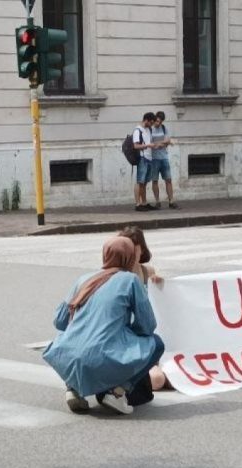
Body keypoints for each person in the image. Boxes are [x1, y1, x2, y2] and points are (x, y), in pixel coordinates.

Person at [43, 236, 165, 416]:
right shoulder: (130, 280)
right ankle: (116, 393)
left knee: (78, 341)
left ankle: (73, 388)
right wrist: (127, 334)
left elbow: (60, 321)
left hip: (65, 355)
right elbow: (147, 325)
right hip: (103, 356)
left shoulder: (84, 279)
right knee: (156, 343)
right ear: (130, 257)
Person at [117, 225, 171, 393]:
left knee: (174, 376)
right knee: (157, 379)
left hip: (150, 333)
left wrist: (160, 285)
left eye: (135, 247)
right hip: (130, 338)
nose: (132, 252)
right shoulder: (117, 275)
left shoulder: (148, 272)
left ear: (141, 249)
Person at [148, 111, 177, 210]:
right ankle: (157, 201)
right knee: (155, 180)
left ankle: (171, 201)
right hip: (154, 159)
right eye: (157, 121)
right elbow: (149, 143)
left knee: (168, 180)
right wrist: (162, 143)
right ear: (155, 119)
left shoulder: (164, 128)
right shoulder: (150, 129)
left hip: (164, 157)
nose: (158, 124)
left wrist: (159, 143)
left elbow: (168, 141)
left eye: (160, 122)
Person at [131, 113, 157, 212]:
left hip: (149, 157)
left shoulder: (148, 129)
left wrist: (153, 145)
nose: (151, 124)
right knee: (139, 181)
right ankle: (138, 204)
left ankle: (144, 203)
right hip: (142, 158)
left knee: (144, 182)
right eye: (151, 122)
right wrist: (148, 146)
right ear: (146, 120)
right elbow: (136, 146)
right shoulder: (138, 130)